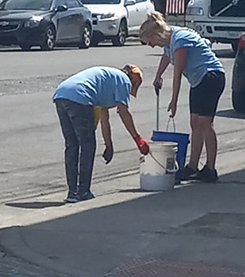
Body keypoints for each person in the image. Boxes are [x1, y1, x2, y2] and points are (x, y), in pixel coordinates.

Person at [140, 12, 225, 183]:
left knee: (205, 123)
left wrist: (174, 101)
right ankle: (192, 167)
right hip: (198, 80)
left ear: (157, 35)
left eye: (150, 42)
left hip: (211, 77)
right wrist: (158, 76)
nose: (151, 46)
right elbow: (166, 56)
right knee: (195, 122)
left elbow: (178, 73)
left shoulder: (180, 41)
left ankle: (210, 168)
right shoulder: (169, 40)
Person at [53, 65, 150, 203]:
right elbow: (124, 112)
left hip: (61, 95)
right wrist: (138, 138)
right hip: (81, 97)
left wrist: (109, 145)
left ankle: (72, 192)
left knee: (72, 144)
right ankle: (83, 192)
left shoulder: (110, 81)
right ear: (134, 82)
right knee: (87, 146)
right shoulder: (124, 81)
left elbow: (105, 118)